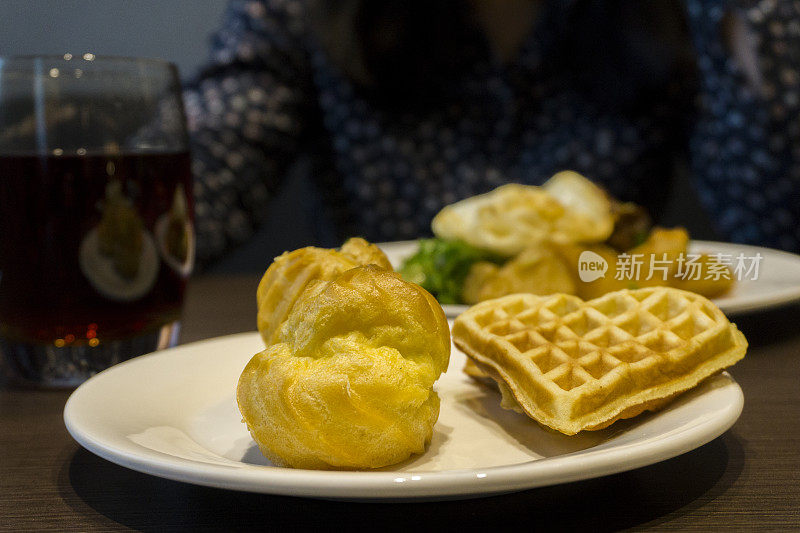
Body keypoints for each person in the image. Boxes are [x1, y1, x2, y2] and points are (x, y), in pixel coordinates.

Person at [184, 0, 800, 268]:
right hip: (375, 377)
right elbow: (203, 179)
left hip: (622, 394)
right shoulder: (300, 11)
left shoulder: (664, 14)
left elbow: (778, 231)